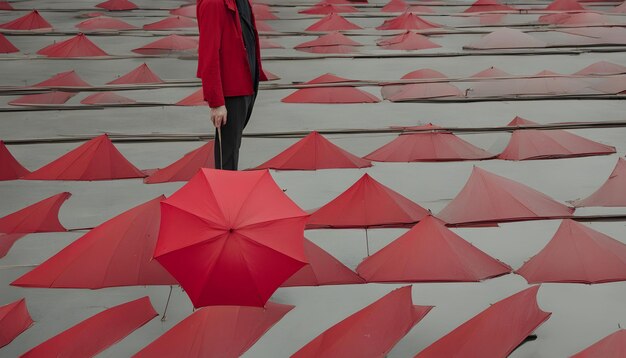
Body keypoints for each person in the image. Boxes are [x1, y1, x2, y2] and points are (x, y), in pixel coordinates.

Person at [196, 0, 267, 170]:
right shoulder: (213, 4)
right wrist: (217, 103)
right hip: (231, 91)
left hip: (246, 86)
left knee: (233, 148)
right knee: (227, 155)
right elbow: (208, 52)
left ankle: (229, 190)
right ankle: (224, 194)